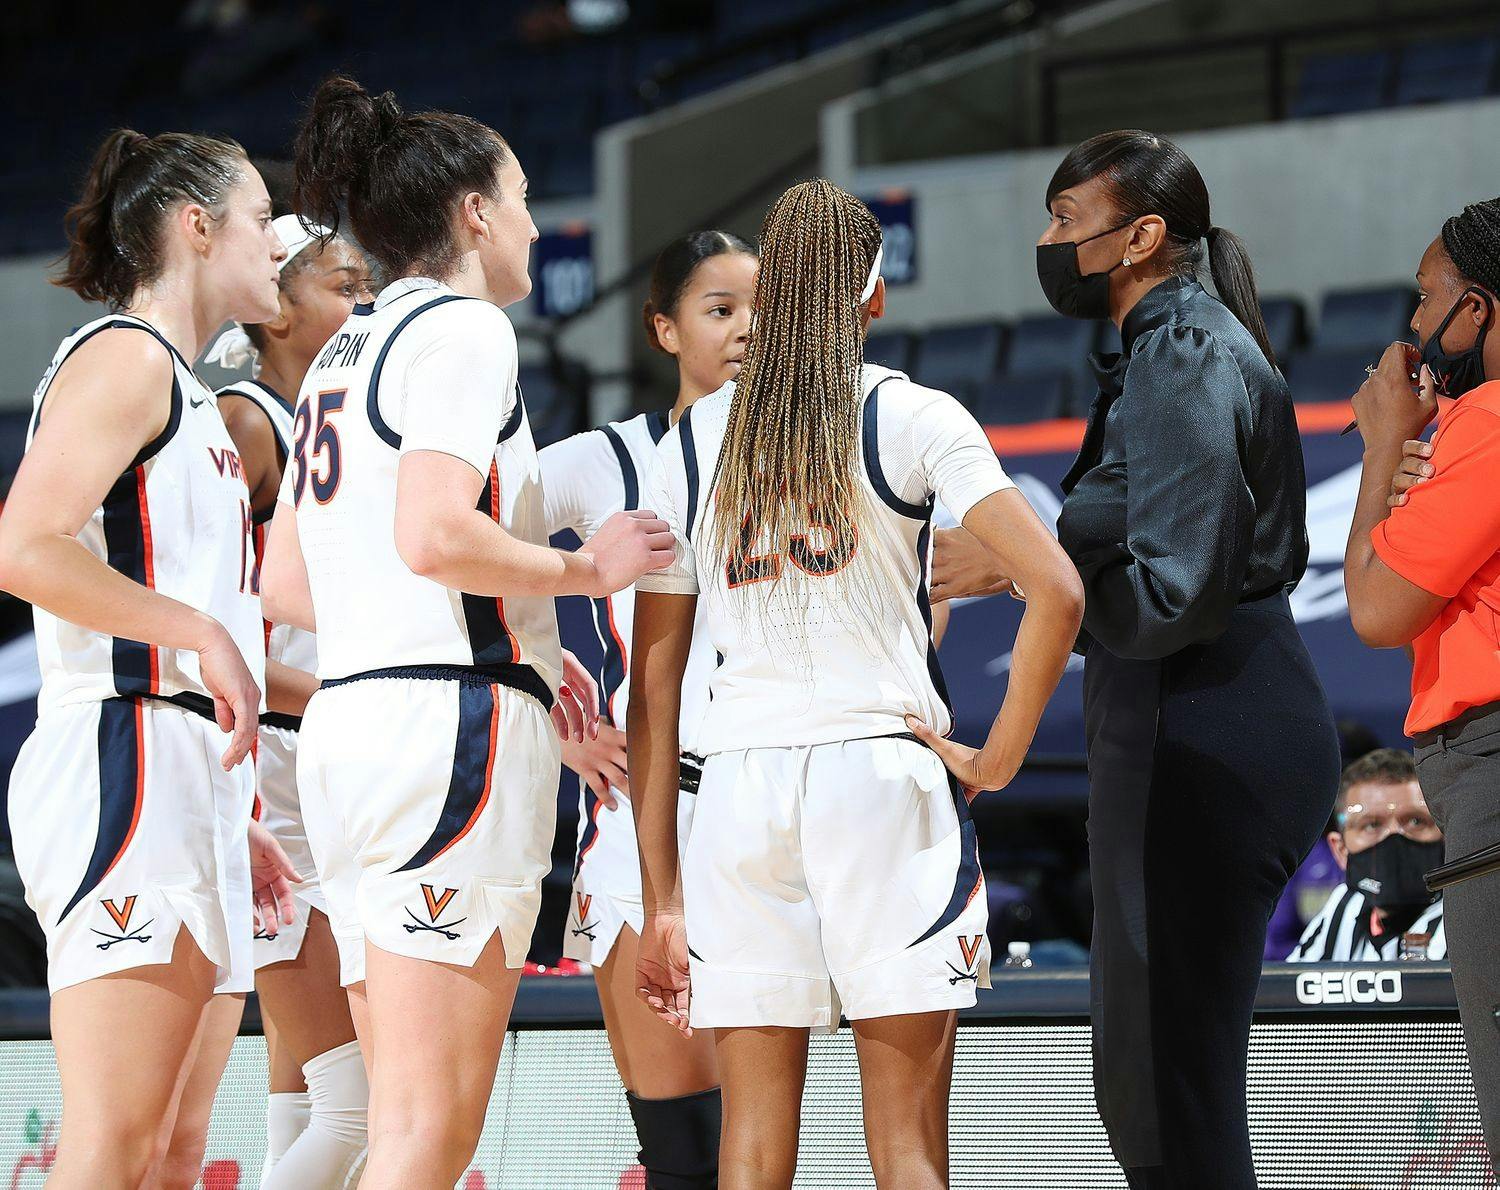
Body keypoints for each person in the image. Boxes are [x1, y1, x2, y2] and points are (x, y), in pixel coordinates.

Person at [258, 76, 674, 1188]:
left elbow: (284, 577)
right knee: (428, 1131)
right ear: (474, 213)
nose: (537, 220)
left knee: (392, 1118)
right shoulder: (462, 329)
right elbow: (436, 533)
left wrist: (529, 655)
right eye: (525, 196)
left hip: (352, 728)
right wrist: (587, 570)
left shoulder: (341, 354)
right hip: (442, 732)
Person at [629, 179, 1082, 1189]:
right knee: (908, 1146)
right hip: (881, 775)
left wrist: (661, 890)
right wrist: (999, 755)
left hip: (738, 789)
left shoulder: (691, 442)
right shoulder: (914, 413)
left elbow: (651, 692)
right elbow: (1055, 584)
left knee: (749, 1148)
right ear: (872, 296)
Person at [932, 129, 1340, 1189]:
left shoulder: (1184, 351)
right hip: (1203, 715)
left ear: (1141, 236)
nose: (1047, 240)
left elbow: (1173, 591)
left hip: (1198, 719)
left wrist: (1047, 574)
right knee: (1162, 1092)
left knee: (1164, 1099)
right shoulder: (1169, 344)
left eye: (1066, 221)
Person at [0, 129, 298, 1189]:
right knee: (114, 1145)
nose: (280, 242)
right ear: (197, 225)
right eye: (263, 217)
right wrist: (201, 632)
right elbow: (22, 547)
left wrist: (243, 810)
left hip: (190, 773)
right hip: (118, 751)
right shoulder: (123, 354)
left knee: (173, 1152)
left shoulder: (188, 387)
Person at [541, 229, 757, 1189]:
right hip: (646, 818)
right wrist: (550, 696)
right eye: (720, 310)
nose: (750, 330)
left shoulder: (831, 448)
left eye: (765, 308)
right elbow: (450, 546)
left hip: (780, 806)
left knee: (759, 1145)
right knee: (681, 1151)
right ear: (663, 329)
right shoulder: (603, 460)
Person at [206, 203, 376, 1187]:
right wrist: (350, 690)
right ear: (275, 306)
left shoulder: (336, 422)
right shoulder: (246, 420)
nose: (362, 304)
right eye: (342, 287)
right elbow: (205, 633)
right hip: (278, 755)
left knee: (305, 1100)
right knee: (361, 1108)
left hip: (322, 750)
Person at [1343, 195, 1500, 1161]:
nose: (1416, 315)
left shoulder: (1485, 424)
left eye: (1428, 290)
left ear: (1476, 308)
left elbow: (1374, 608)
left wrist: (1380, 449)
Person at [1287, 749, 1446, 962]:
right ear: (1340, 850)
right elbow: (1289, 990)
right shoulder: (1345, 905)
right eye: (1372, 825)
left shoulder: (1470, 918)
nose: (1393, 837)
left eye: (1415, 821)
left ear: (1447, 835)